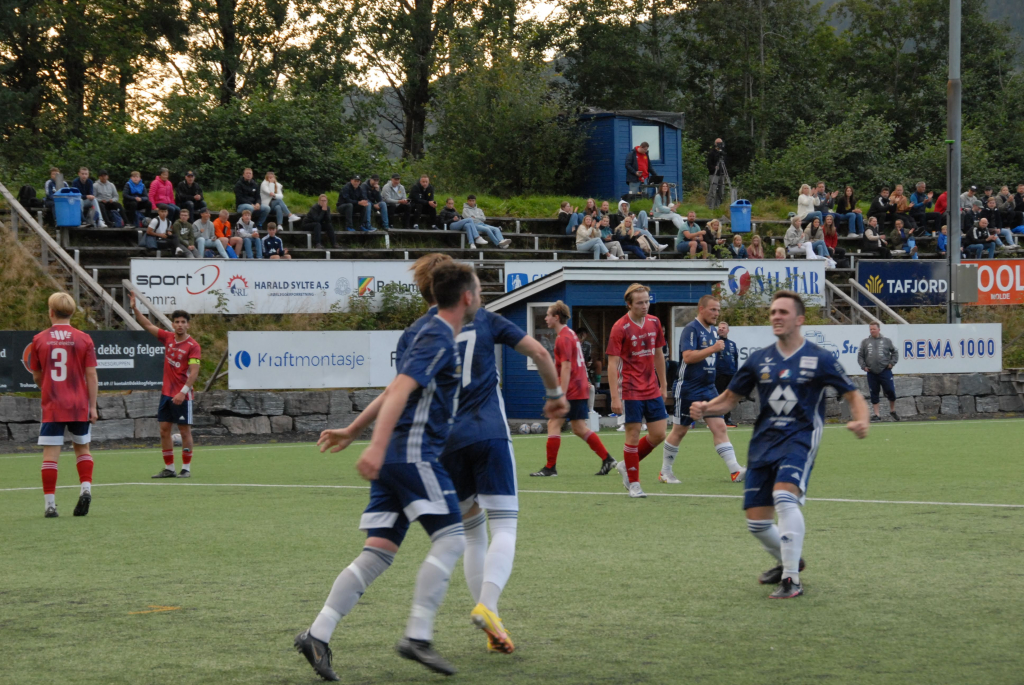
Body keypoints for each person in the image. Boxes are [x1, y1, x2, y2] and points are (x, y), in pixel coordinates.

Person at [294, 263, 476, 678]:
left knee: (378, 552)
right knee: (451, 539)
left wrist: (356, 430)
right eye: (478, 290)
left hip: (395, 455)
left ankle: (317, 634)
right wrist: (373, 445)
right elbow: (401, 389)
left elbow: (395, 387)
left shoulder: (421, 331)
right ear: (466, 296)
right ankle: (418, 635)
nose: (479, 296)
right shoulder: (436, 335)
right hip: (412, 451)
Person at [692, 290, 868, 599]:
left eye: (783, 312)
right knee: (757, 524)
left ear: (799, 319)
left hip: (800, 438)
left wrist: (861, 419)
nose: (776, 316)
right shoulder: (759, 359)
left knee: (785, 497)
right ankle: (790, 560)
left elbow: (852, 394)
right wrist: (706, 408)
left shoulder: (819, 358)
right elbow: (730, 399)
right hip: (764, 443)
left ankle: (791, 580)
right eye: (773, 312)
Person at [660, 295, 745, 485]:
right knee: (680, 431)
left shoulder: (713, 331)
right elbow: (688, 357)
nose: (716, 313)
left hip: (708, 388)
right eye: (713, 309)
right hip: (689, 388)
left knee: (720, 427)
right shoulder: (691, 329)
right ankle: (665, 471)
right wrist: (713, 348)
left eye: (718, 310)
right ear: (701, 309)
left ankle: (735, 470)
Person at [30, 292, 98, 518]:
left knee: (50, 455)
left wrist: (48, 387)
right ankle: (86, 489)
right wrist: (93, 407)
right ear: (72, 312)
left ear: (51, 312)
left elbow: (37, 376)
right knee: (82, 448)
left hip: (53, 405)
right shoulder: (84, 338)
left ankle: (50, 505)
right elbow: (91, 375)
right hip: (78, 404)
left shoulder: (39, 339)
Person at [533, 301, 617, 477]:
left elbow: (566, 367)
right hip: (579, 387)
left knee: (554, 423)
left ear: (556, 317)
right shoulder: (570, 334)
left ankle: (550, 468)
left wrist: (561, 395)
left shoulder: (563, 338)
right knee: (579, 428)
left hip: (571, 388)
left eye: (548, 315)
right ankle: (607, 459)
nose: (546, 318)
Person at [607, 283, 669, 498]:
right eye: (640, 303)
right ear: (629, 304)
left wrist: (663, 385)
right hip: (630, 389)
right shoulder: (620, 327)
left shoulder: (654, 322)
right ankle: (634, 484)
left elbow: (659, 354)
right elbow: (612, 364)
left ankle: (626, 465)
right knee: (633, 434)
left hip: (651, 388)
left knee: (659, 434)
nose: (645, 306)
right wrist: (615, 397)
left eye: (647, 301)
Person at [130, 296, 201, 478]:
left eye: (183, 322)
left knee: (184, 431)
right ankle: (169, 468)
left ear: (188, 325)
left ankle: (186, 468)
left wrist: (183, 392)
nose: (180, 325)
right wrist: (135, 309)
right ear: (172, 324)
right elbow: (147, 325)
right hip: (166, 394)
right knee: (164, 431)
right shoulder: (168, 338)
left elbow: (194, 373)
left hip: (183, 396)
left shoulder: (193, 346)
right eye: (177, 322)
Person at [858, 322, 899, 422]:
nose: (872, 331)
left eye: (874, 329)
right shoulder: (865, 342)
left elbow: (895, 352)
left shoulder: (886, 341)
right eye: (870, 329)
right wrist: (863, 366)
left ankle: (892, 410)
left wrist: (892, 363)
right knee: (874, 393)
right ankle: (877, 415)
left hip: (885, 370)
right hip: (871, 372)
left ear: (879, 329)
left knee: (890, 390)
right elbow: (860, 356)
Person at [715, 321, 739, 427]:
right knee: (718, 396)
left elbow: (736, 359)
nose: (721, 329)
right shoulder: (714, 343)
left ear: (728, 330)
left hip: (731, 374)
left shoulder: (732, 344)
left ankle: (727, 418)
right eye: (719, 328)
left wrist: (736, 372)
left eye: (723, 328)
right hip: (719, 374)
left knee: (729, 397)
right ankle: (717, 419)